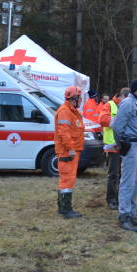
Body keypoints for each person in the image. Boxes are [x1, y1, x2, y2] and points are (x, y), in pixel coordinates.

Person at [111, 79, 137, 232]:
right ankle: (124, 215)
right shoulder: (127, 103)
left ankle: (131, 214)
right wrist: (121, 144)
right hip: (130, 145)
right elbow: (117, 126)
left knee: (136, 182)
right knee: (127, 182)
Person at [54, 85, 85, 219]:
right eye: (80, 98)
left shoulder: (71, 111)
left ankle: (63, 207)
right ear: (75, 98)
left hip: (72, 151)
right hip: (68, 152)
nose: (81, 100)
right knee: (67, 180)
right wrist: (71, 148)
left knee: (68, 180)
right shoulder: (65, 111)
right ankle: (66, 209)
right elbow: (64, 133)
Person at [98, 88, 129, 210]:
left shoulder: (124, 105)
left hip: (124, 145)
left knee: (123, 174)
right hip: (112, 146)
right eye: (125, 98)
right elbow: (102, 120)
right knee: (113, 174)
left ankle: (120, 198)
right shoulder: (109, 105)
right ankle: (111, 199)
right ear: (121, 96)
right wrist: (119, 122)